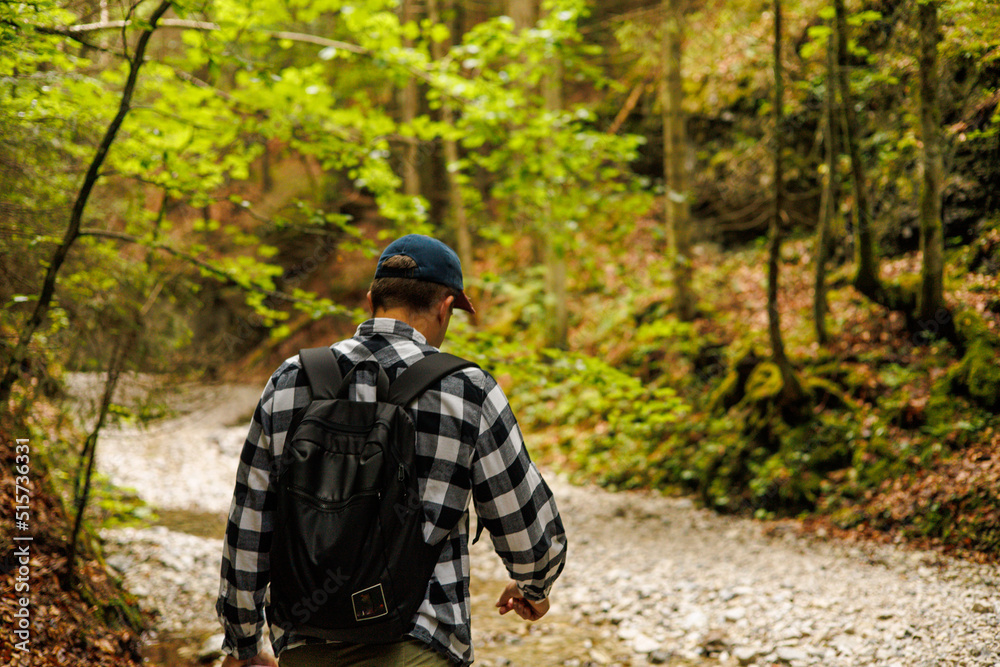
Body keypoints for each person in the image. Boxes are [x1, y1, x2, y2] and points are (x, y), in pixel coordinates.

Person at [216, 234, 568, 667]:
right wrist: (534, 585)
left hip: (307, 643)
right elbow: (524, 521)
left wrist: (243, 643)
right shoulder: (466, 389)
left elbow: (251, 521)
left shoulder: (291, 379)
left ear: (371, 300)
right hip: (419, 644)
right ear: (445, 306)